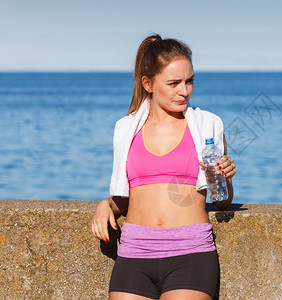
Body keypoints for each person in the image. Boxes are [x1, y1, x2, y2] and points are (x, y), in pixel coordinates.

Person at [91, 34, 236, 300]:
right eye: (174, 83)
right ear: (148, 83)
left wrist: (224, 178)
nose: (185, 91)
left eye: (189, 80)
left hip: (190, 254)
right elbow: (127, 196)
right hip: (134, 253)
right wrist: (107, 205)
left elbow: (222, 200)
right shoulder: (126, 130)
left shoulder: (208, 127)